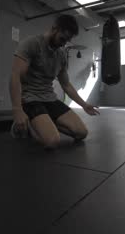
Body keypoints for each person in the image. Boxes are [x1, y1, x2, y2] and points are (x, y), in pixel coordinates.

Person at [9, 14, 99, 150]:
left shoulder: (61, 55)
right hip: (30, 99)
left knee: (81, 133)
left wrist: (84, 105)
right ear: (54, 28)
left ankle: (44, 123)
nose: (64, 43)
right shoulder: (31, 44)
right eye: (62, 38)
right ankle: (27, 126)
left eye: (67, 40)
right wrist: (17, 109)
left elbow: (66, 85)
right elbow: (15, 76)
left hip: (49, 99)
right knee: (52, 141)